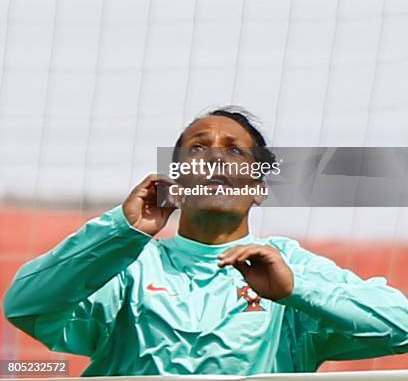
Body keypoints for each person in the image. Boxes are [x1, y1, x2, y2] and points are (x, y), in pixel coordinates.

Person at [3, 107, 408, 376]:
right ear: (175, 181)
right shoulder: (133, 265)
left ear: (260, 187)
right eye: (199, 148)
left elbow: (402, 327)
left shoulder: (286, 265)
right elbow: (24, 306)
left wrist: (296, 291)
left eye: (234, 151)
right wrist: (118, 232)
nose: (215, 158)